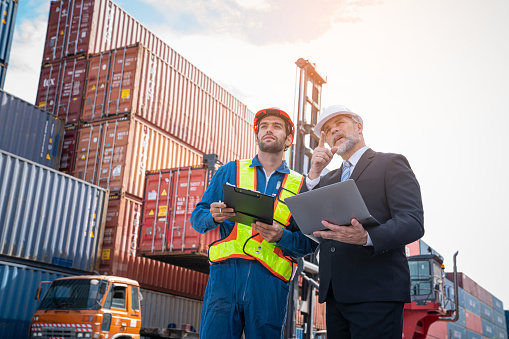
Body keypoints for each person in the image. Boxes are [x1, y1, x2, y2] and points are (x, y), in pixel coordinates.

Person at [191, 108, 317, 339]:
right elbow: (198, 218)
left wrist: (281, 236)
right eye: (264, 126)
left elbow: (309, 245)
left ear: (288, 139)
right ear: (257, 135)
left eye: (277, 126)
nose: (269, 129)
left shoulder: (302, 186)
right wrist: (213, 217)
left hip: (269, 286)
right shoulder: (230, 170)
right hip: (225, 280)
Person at [305, 104, 424, 338]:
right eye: (328, 130)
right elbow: (306, 220)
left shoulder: (390, 163)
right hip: (335, 296)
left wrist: (367, 237)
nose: (333, 131)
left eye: (339, 123)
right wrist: (314, 174)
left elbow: (412, 221)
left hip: (376, 293)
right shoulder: (327, 178)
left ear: (359, 127)